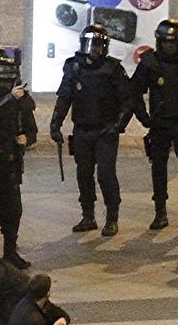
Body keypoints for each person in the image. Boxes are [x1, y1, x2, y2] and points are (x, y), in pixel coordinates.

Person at [50, 24, 133, 237]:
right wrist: (55, 124)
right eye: (91, 44)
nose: (94, 49)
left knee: (106, 175)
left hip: (105, 131)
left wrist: (118, 126)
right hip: (82, 130)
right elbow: (65, 97)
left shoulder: (112, 68)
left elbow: (127, 100)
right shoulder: (74, 67)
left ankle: (112, 217)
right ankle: (88, 216)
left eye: (98, 45)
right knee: (84, 175)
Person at [129, 19, 178, 230]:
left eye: (173, 43)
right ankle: (160, 211)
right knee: (159, 169)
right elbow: (134, 91)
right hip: (160, 124)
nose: (169, 47)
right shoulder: (151, 62)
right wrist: (144, 118)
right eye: (166, 43)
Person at [0, 53, 36, 269]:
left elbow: (31, 130)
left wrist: (26, 139)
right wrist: (9, 99)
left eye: (8, 81)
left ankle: (10, 251)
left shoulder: (20, 101)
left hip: (11, 163)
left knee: (13, 210)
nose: (5, 85)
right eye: (1, 81)